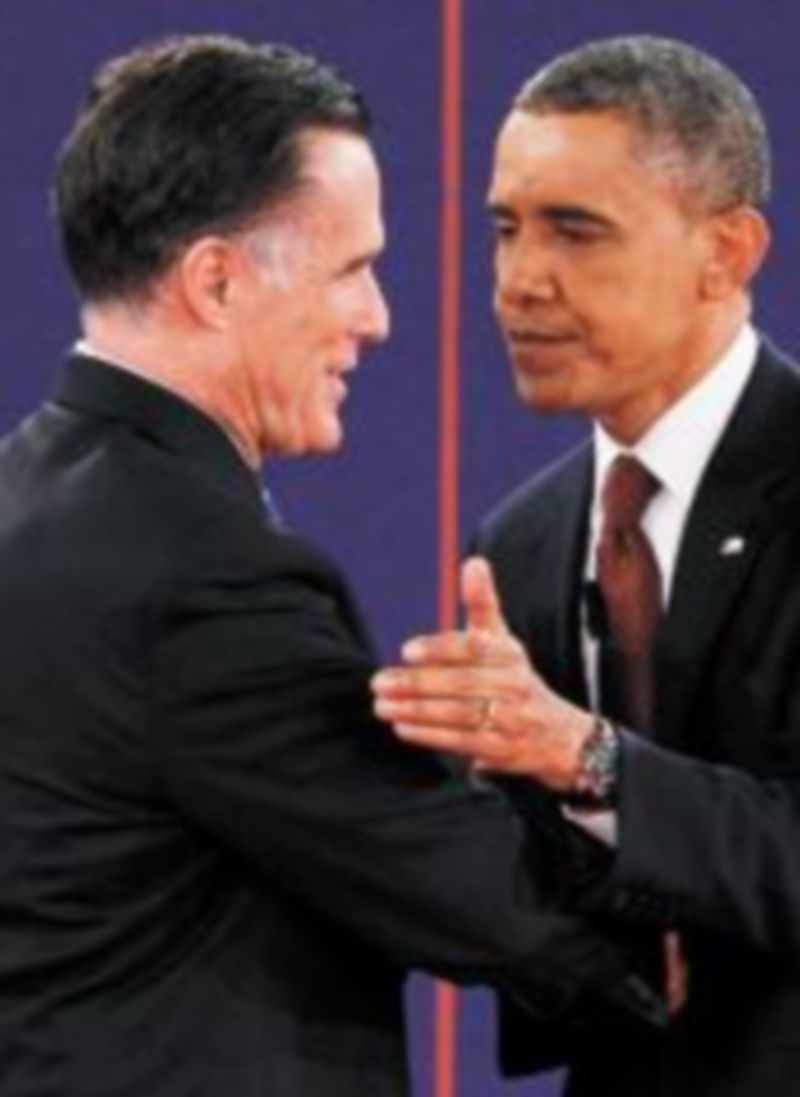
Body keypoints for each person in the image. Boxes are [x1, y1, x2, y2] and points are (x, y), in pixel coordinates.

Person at [0, 33, 663, 1097]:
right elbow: (469, 890)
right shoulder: (203, 579)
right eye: (351, 268)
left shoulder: (29, 499)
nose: (377, 316)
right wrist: (691, 935)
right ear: (215, 280)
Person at [373, 34, 800, 1097]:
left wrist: (585, 755)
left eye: (575, 230)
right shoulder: (516, 541)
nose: (518, 283)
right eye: (504, 230)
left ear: (726, 252)